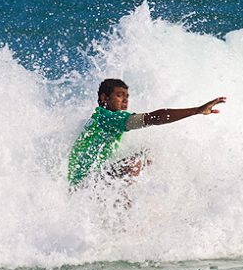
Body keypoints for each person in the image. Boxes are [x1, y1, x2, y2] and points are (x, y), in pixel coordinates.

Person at [68, 78, 226, 188]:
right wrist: (196, 110)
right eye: (119, 95)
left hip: (80, 184)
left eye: (127, 97)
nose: (125, 101)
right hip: (85, 185)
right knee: (136, 162)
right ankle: (123, 220)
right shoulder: (110, 118)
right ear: (105, 98)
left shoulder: (96, 117)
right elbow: (154, 118)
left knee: (145, 156)